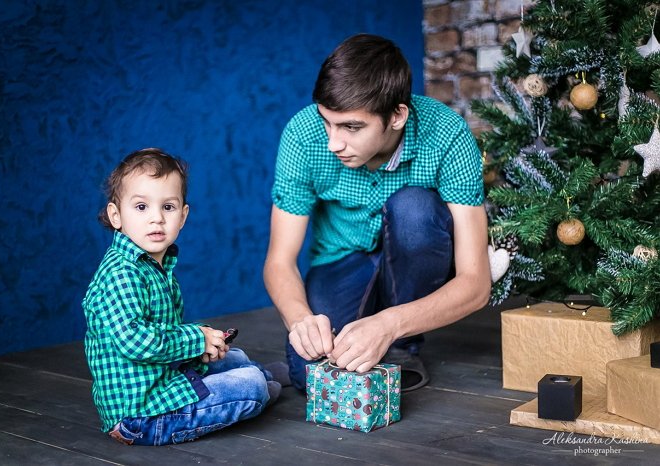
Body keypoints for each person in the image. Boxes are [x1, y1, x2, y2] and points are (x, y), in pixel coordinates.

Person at [263, 34, 491, 392]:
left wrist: (390, 325)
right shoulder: (303, 135)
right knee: (309, 376)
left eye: (352, 127)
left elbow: (476, 285)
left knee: (415, 207)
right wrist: (301, 320)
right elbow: (279, 260)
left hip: (416, 255)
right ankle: (365, 334)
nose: (334, 143)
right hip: (342, 258)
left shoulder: (447, 133)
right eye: (327, 121)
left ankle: (402, 348)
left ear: (397, 115)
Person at [83, 148, 281, 446]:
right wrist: (196, 339)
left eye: (168, 207)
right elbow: (139, 342)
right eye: (141, 207)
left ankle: (260, 377)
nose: (156, 219)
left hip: (162, 380)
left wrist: (202, 342)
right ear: (116, 215)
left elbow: (166, 332)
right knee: (249, 385)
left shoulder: (155, 265)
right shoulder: (121, 273)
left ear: (183, 215)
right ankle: (259, 386)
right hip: (141, 414)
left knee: (233, 356)